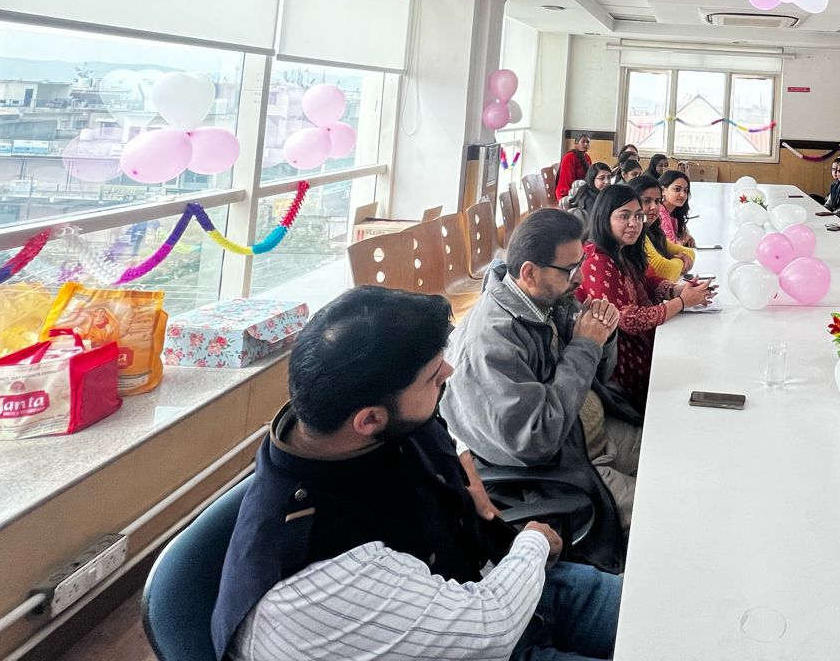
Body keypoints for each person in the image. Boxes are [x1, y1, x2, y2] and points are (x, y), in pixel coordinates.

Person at [212, 286, 622, 661]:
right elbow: (491, 627)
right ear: (369, 419)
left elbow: (444, 436)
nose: (448, 373)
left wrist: (467, 475)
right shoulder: (320, 578)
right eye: (432, 376)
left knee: (652, 617)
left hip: (503, 581)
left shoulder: (352, 424)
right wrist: (534, 542)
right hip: (481, 631)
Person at [442, 209, 644, 527]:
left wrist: (603, 336)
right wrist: (585, 345)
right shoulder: (492, 344)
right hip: (561, 466)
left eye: (581, 263)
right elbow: (536, 440)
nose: (580, 278)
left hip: (589, 430)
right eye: (569, 269)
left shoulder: (547, 299)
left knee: (675, 459)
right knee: (663, 507)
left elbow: (596, 376)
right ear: (530, 272)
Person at [576, 183, 714, 410]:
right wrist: (682, 303)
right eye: (624, 216)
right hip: (622, 361)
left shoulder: (624, 249)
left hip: (643, 343)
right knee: (692, 373)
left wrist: (677, 290)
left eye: (638, 216)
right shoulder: (596, 261)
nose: (634, 223)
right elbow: (629, 320)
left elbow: (648, 281)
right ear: (604, 217)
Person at [630, 173, 694, 282]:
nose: (654, 207)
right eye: (646, 201)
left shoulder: (651, 229)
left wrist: (681, 258)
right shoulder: (634, 232)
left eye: (657, 201)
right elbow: (663, 271)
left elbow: (689, 252)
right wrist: (682, 261)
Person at [657, 169, 696, 249]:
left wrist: (687, 238)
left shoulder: (674, 212)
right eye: (677, 189)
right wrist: (684, 240)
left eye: (685, 190)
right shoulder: (660, 212)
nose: (683, 195)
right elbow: (672, 247)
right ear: (663, 190)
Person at [555, 135, 592, 202]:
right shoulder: (569, 157)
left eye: (588, 142)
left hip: (580, 188)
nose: (586, 144)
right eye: (583, 142)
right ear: (576, 144)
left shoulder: (587, 158)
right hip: (566, 192)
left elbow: (589, 175)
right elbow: (569, 181)